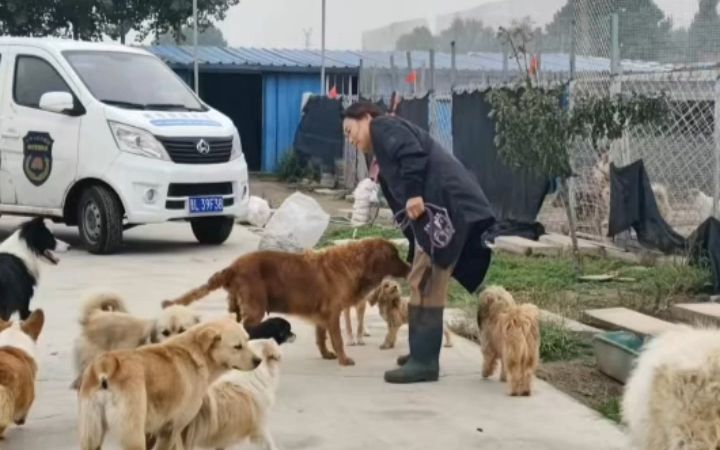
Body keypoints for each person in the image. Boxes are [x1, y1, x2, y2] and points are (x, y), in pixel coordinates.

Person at [341, 101, 496, 384]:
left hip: (447, 210)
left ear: (365, 118)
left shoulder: (383, 126)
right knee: (419, 279)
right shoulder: (382, 143)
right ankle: (420, 354)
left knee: (428, 282)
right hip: (437, 217)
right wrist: (414, 246)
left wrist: (413, 193)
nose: (351, 140)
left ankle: (425, 362)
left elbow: (413, 156)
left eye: (350, 131)